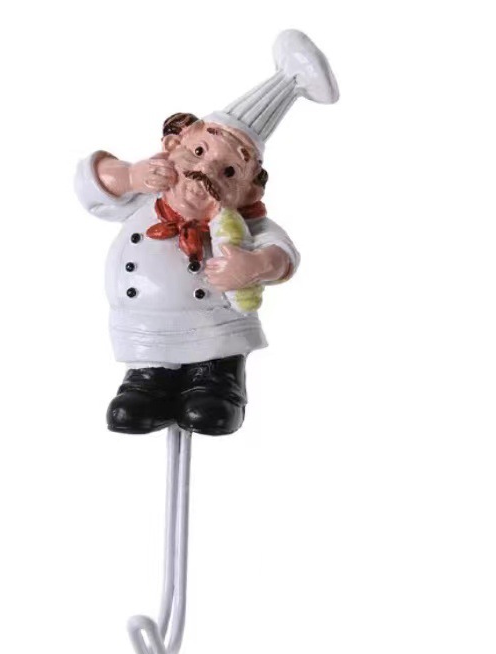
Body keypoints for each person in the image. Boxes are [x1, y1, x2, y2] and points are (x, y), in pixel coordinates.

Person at [74, 29, 338, 436]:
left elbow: (283, 255)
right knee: (136, 404)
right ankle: (146, 383)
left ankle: (218, 382)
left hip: (217, 336)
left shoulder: (243, 225)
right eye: (199, 152)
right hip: (145, 336)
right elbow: (91, 185)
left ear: (249, 191)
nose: (206, 171)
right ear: (173, 143)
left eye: (229, 171)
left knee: (209, 401)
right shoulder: (146, 192)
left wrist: (255, 265)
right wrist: (129, 175)